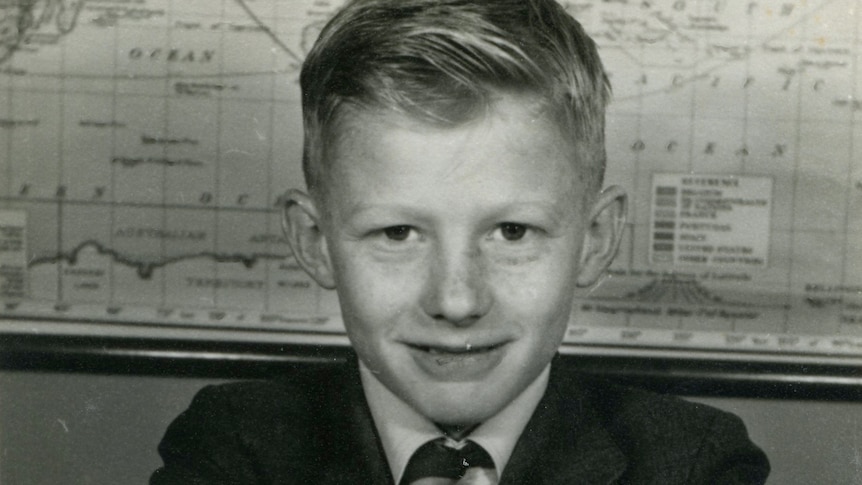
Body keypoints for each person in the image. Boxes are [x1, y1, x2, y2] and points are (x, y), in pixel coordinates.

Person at [151, 0, 770, 483]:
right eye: (397, 233)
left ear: (596, 241)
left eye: (512, 232)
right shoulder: (236, 447)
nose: (456, 301)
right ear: (314, 242)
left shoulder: (691, 464)